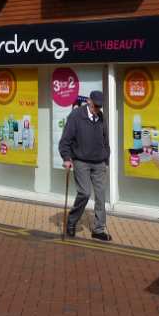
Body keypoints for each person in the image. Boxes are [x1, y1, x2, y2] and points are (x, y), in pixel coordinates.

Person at [58, 90, 112, 241]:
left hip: (99, 162)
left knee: (101, 196)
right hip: (81, 161)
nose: (97, 109)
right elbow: (65, 141)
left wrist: (106, 158)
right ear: (88, 101)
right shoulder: (76, 116)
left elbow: (105, 139)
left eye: (99, 107)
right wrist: (67, 158)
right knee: (85, 193)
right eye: (95, 106)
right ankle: (71, 221)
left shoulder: (101, 117)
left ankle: (98, 229)